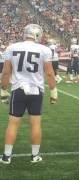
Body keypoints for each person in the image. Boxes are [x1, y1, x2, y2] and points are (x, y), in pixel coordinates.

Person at [0, 24, 58, 164]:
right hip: (37, 90)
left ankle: (7, 157)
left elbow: (6, 72)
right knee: (36, 124)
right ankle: (35, 155)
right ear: (38, 35)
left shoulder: (12, 47)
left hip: (18, 89)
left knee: (13, 124)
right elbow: (50, 73)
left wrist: (3, 89)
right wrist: (53, 91)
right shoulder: (44, 49)